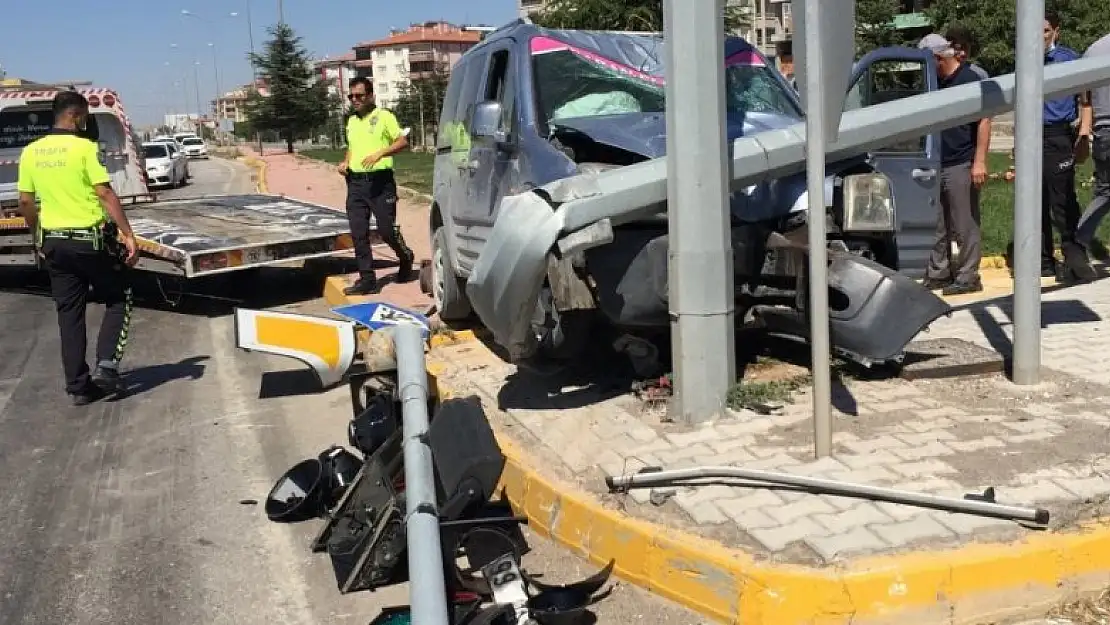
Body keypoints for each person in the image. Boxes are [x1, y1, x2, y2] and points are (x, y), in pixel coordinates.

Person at [16, 90, 139, 406]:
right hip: (89, 241)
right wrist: (128, 235)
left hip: (54, 242)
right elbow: (105, 194)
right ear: (77, 115)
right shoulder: (84, 148)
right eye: (85, 116)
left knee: (69, 314)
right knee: (118, 294)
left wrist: (36, 237)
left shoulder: (31, 152)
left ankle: (79, 388)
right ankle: (107, 367)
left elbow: (26, 202)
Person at [918, 34, 992, 296]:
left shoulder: (970, 79)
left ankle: (968, 275)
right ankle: (939, 272)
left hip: (961, 161)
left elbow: (984, 120)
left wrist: (979, 161)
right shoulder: (934, 83)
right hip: (934, 162)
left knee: (964, 222)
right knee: (937, 222)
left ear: (938, 59)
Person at [1029, 12, 1095, 281]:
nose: (1040, 36)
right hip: (1031, 136)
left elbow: (1086, 101)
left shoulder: (1069, 59)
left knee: (1063, 199)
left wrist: (1083, 133)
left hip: (1059, 136)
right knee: (1034, 200)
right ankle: (1043, 260)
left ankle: (1074, 258)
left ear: (1055, 31)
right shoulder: (1025, 60)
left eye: (1045, 31)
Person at [339, 76, 415, 296]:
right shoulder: (351, 121)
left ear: (371, 95)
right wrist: (345, 162)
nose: (355, 100)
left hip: (380, 183)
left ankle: (405, 256)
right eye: (351, 96)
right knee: (358, 232)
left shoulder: (384, 117)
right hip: (355, 183)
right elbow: (353, 147)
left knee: (386, 230)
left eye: (359, 95)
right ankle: (367, 280)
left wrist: (380, 153)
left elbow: (401, 141)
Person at [1075, 32, 1110, 258]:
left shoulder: (1093, 50)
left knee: (1105, 191)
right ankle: (1079, 239)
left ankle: (1079, 240)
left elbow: (1084, 98)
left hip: (1103, 130)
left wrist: (1086, 131)